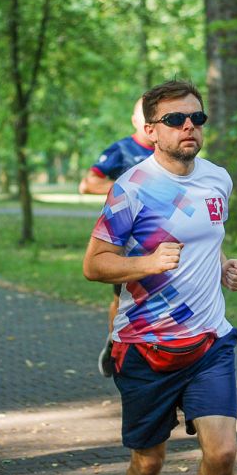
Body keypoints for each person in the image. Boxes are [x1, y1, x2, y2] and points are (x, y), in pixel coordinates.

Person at [83, 80, 237, 475]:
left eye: (197, 118)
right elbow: (94, 264)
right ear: (152, 130)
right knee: (149, 462)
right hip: (146, 345)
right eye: (175, 119)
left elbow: (208, 237)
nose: (188, 126)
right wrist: (147, 263)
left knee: (223, 453)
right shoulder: (132, 187)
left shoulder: (217, 180)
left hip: (210, 341)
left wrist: (223, 265)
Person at [78, 98, 154, 377]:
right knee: (125, 296)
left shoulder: (169, 150)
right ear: (135, 120)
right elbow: (87, 184)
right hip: (127, 240)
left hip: (165, 236)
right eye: (143, 115)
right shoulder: (122, 150)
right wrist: (125, 186)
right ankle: (116, 343)